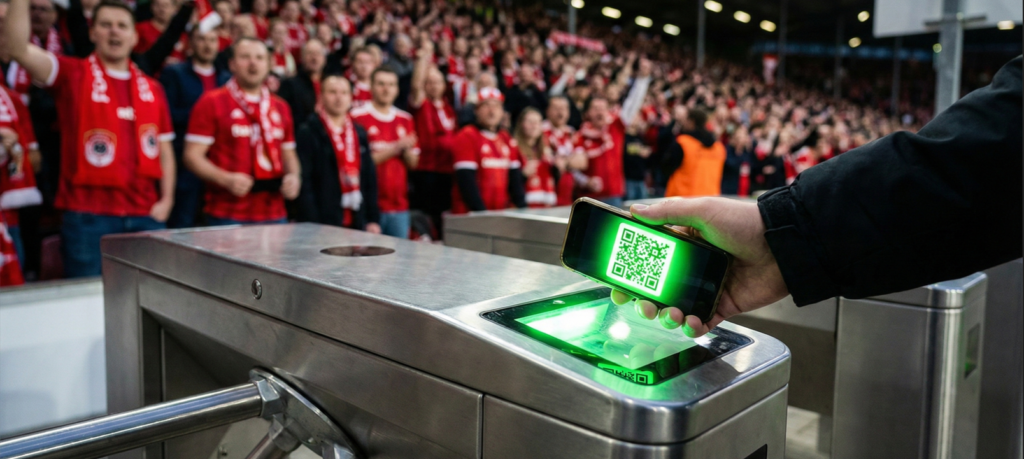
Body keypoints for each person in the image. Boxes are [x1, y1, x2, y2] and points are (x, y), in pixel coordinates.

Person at [613, 56, 1022, 339]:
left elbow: (979, 156)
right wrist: (781, 240)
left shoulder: (689, 142)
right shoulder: (718, 146)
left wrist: (786, 235)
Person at [4, 0, 177, 277]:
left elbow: (164, 148)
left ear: (134, 36)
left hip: (146, 215)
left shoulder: (153, 88)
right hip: (87, 217)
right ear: (92, 32)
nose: (114, 32)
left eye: (122, 26)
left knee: (151, 304)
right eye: (106, 25)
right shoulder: (71, 73)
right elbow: (17, 49)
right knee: (89, 308)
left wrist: (166, 201)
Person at [183, 37, 300, 226]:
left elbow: (289, 154)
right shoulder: (211, 101)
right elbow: (192, 156)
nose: (253, 63)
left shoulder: (281, 106)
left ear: (269, 64)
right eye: (245, 57)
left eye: (259, 58)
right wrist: (226, 179)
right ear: (232, 64)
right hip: (226, 213)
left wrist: (294, 177)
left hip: (275, 213)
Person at [159, 27, 231, 228]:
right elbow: (165, 115)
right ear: (190, 44)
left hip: (219, 162)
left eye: (212, 40)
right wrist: (204, 116)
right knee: (184, 222)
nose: (207, 45)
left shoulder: (226, 78)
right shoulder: (174, 73)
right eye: (201, 39)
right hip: (184, 162)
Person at [294, 74, 380, 232]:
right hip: (321, 221)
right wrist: (312, 223)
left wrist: (372, 219)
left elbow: (368, 177)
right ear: (321, 96)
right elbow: (305, 182)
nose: (338, 98)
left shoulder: (359, 132)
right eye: (332, 92)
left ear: (350, 97)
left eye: (344, 93)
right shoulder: (308, 131)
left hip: (355, 219)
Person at [350, 67, 418, 238]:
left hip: (400, 206)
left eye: (391, 84)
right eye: (381, 84)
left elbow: (414, 163)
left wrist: (407, 152)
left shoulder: (406, 119)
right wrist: (396, 147)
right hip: (370, 206)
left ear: (397, 89)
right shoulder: (357, 117)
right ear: (371, 87)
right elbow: (360, 163)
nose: (386, 89)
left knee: (399, 260)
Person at [450, 87, 526, 214]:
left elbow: (515, 181)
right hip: (471, 215)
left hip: (499, 215)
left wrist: (524, 211)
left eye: (496, 106)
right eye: (486, 106)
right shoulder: (467, 136)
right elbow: (467, 182)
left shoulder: (506, 138)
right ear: (476, 110)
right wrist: (483, 215)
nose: (492, 111)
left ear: (502, 112)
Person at [408, 40, 455, 237]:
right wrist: (425, 56)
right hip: (426, 169)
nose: (434, 85)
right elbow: (416, 85)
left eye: (437, 81)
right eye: (430, 82)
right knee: (426, 215)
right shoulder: (421, 103)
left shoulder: (448, 107)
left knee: (442, 213)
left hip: (447, 169)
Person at [664, 107, 726, 197]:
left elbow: (666, 168)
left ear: (691, 121)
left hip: (682, 201)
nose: (683, 123)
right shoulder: (719, 148)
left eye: (685, 119)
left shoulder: (683, 143)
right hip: (710, 201)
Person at [277, 38, 326, 132]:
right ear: (301, 57)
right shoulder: (289, 84)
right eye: (310, 53)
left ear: (324, 58)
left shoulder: (332, 84)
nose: (314, 58)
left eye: (318, 54)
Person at [513, 107, 555, 208]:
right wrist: (522, 174)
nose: (534, 126)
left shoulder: (547, 149)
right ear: (521, 124)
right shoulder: (514, 147)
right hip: (524, 207)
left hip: (547, 206)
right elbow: (509, 181)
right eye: (530, 122)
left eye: (537, 122)